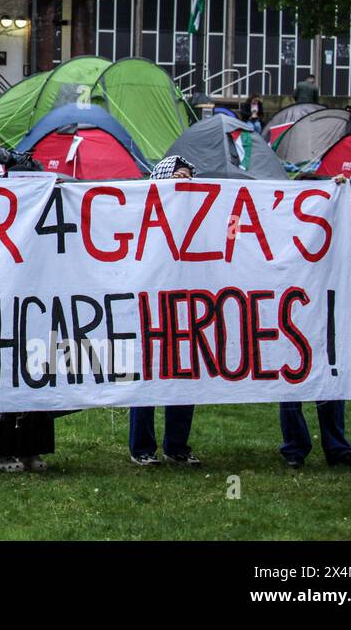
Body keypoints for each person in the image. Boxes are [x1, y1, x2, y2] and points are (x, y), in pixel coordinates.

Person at [279, 171, 351, 470]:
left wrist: (336, 190)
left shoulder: (330, 225)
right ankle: (295, 447)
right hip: (290, 311)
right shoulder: (280, 228)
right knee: (291, 381)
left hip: (325, 308)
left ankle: (336, 448)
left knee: (330, 376)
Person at [129, 155, 203, 467]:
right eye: (179, 176)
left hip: (185, 307)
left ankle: (177, 446)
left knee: (183, 377)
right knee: (146, 378)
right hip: (148, 306)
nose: (185, 182)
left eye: (189, 177)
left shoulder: (199, 217)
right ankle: (141, 447)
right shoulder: (140, 212)